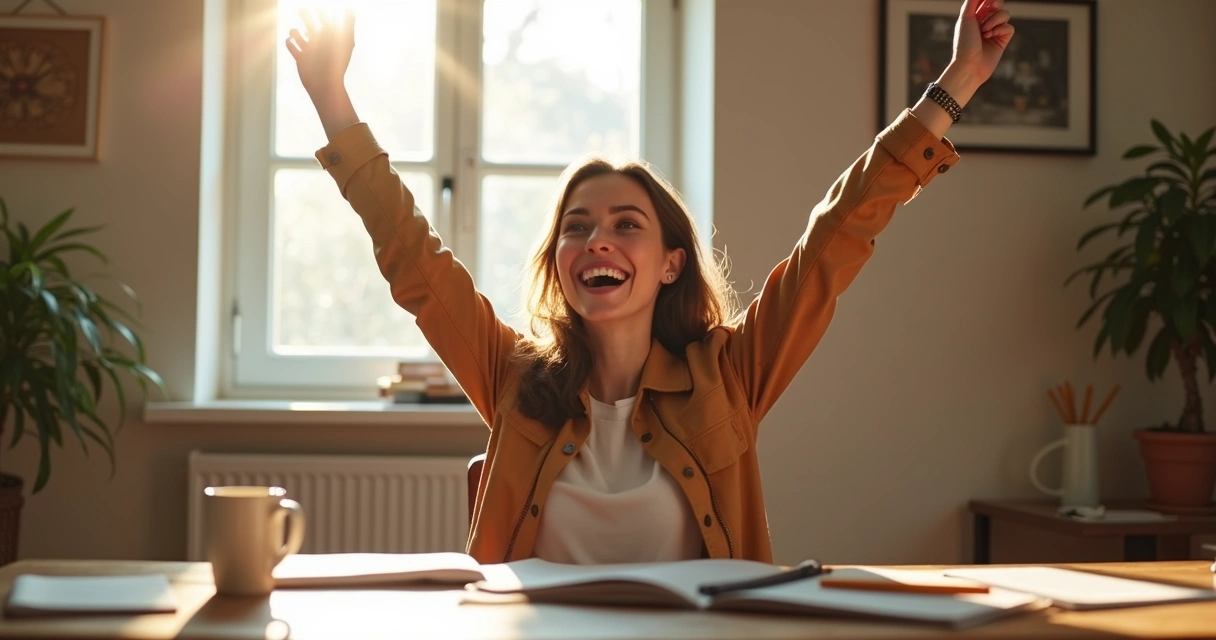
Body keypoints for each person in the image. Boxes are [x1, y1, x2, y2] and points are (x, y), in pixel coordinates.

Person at [286, 0, 1014, 565]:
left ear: (672, 263)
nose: (596, 238)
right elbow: (412, 256)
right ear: (560, 263)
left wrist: (957, 84)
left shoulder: (730, 375)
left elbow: (835, 239)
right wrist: (331, 101)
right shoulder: (511, 378)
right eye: (576, 226)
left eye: (625, 223)